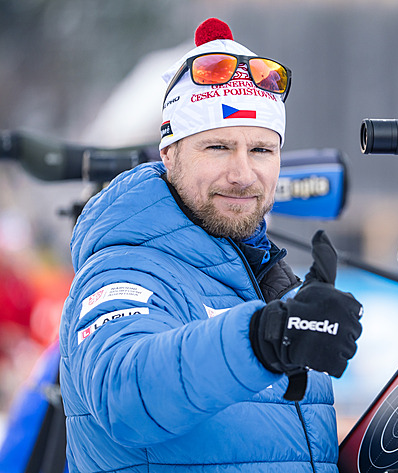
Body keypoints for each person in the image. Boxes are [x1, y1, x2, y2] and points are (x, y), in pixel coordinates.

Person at [58, 17, 364, 472]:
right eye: (218, 147)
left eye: (261, 150)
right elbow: (125, 393)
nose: (243, 174)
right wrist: (262, 339)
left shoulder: (266, 286)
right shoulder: (123, 270)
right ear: (169, 153)